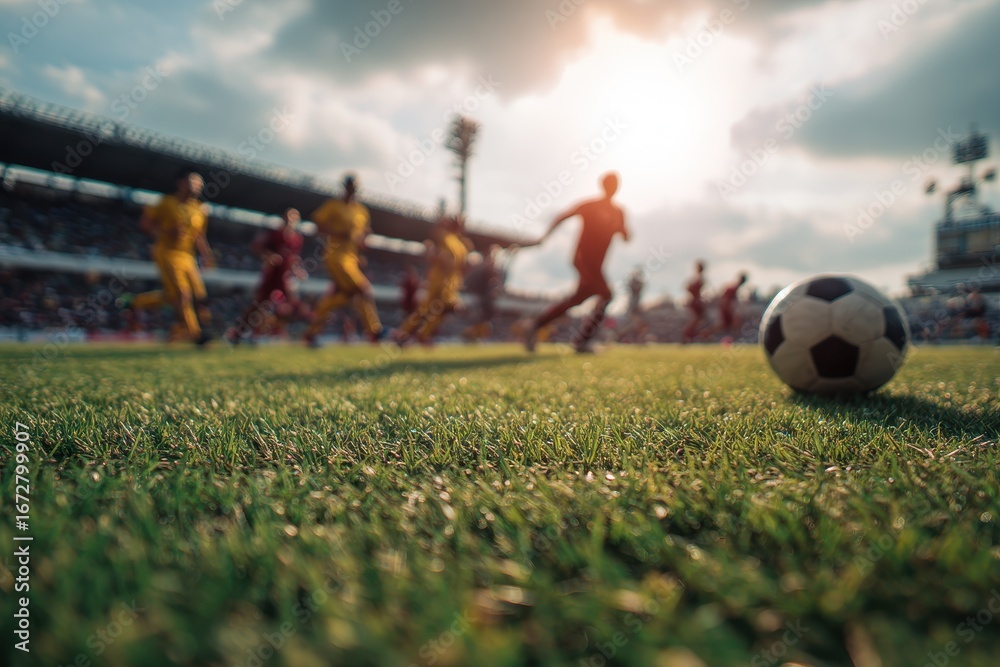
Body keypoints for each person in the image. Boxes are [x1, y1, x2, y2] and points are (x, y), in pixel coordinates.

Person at [523, 172, 629, 353]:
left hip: (597, 264)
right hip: (583, 260)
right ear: (602, 185)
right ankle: (582, 342)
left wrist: (623, 232)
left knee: (577, 299)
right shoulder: (589, 206)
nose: (612, 187)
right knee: (607, 295)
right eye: (609, 183)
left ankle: (535, 324)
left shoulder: (618, 212)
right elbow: (561, 217)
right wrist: (545, 237)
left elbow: (624, 233)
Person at [303, 174, 383, 346]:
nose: (351, 189)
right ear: (344, 187)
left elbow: (362, 235)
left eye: (354, 186)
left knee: (343, 297)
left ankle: (311, 332)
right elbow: (317, 225)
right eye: (349, 186)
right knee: (363, 290)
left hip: (352, 259)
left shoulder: (361, 211)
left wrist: (362, 243)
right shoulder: (333, 206)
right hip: (336, 257)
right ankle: (375, 331)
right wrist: (337, 232)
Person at [138, 169, 215, 345]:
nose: (197, 186)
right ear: (180, 183)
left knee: (199, 296)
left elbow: (199, 236)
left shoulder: (200, 210)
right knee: (182, 294)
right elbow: (145, 223)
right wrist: (165, 231)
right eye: (192, 181)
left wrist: (207, 255)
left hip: (188, 256)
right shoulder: (166, 202)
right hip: (167, 253)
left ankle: (178, 328)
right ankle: (197, 335)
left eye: (199, 183)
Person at [226, 207, 308, 344]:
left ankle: (279, 332)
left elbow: (295, 258)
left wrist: (298, 270)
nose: (292, 219)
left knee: (291, 304)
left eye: (295, 217)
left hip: (286, 276)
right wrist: (268, 256)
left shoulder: (297, 238)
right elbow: (256, 246)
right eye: (289, 216)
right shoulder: (274, 233)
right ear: (284, 218)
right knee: (260, 304)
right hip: (273, 273)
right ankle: (239, 333)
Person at [395, 215, 471, 345]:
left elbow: (462, 266)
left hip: (451, 284)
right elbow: (432, 251)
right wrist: (441, 257)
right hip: (438, 281)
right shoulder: (443, 236)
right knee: (431, 309)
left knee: (438, 310)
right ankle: (406, 334)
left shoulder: (462, 244)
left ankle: (417, 335)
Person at [462, 244, 502, 342]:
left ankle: (475, 335)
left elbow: (494, 282)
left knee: (484, 316)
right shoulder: (482, 267)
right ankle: (471, 334)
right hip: (475, 296)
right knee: (480, 316)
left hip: (481, 298)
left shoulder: (489, 269)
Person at [701, 272, 748, 340]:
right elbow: (726, 301)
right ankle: (705, 334)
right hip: (725, 308)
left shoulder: (733, 287)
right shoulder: (732, 288)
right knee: (732, 323)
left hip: (725, 308)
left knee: (725, 325)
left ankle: (706, 334)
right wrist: (731, 313)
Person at [681, 260, 706, 344]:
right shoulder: (697, 278)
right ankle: (686, 335)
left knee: (698, 319)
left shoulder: (699, 277)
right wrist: (695, 297)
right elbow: (688, 288)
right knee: (695, 319)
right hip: (694, 301)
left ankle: (690, 336)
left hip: (696, 300)